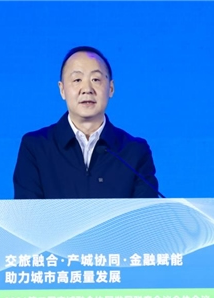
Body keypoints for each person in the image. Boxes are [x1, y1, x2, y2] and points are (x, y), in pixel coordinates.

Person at [13, 46, 160, 199]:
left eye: (96, 80)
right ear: (62, 90)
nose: (87, 89)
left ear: (111, 88)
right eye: (77, 80)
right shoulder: (36, 147)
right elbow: (27, 211)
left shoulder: (134, 152)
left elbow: (146, 212)